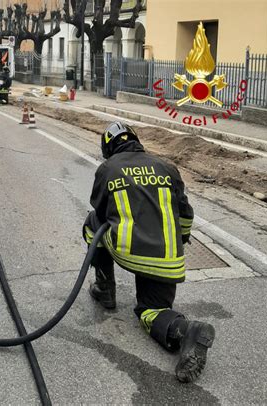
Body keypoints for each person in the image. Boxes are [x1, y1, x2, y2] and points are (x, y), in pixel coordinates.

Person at [83, 121, 215, 383]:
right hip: (169, 259)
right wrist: (181, 240)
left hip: (128, 252)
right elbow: (186, 214)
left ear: (108, 148)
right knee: (151, 312)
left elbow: (100, 210)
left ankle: (105, 289)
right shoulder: (167, 167)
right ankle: (185, 329)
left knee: (91, 224)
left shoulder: (108, 168)